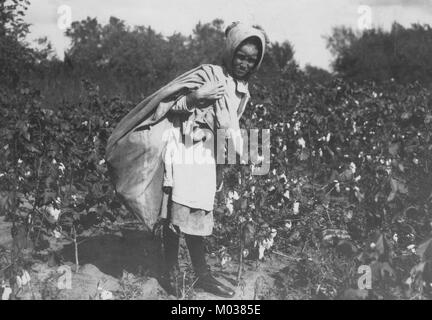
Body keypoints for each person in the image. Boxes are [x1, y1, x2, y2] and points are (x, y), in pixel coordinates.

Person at [105, 22, 267, 299]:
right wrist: (194, 97)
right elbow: (170, 107)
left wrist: (227, 164)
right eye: (241, 56)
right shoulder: (208, 74)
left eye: (251, 59)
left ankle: (202, 275)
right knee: (175, 214)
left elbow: (230, 128)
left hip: (208, 154)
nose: (245, 63)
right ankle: (170, 271)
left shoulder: (243, 89)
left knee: (200, 213)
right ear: (230, 52)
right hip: (185, 149)